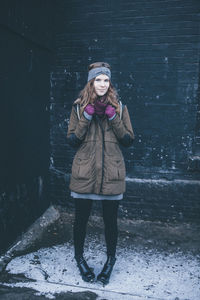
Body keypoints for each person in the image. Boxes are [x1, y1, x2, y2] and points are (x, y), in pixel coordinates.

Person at [67, 62, 134, 285]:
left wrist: (113, 117)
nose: (103, 84)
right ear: (91, 82)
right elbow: (72, 141)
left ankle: (110, 261)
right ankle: (79, 258)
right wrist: (86, 117)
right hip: (85, 173)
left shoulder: (120, 107)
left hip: (111, 175)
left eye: (106, 80)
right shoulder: (78, 107)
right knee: (81, 220)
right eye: (98, 80)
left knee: (110, 222)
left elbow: (127, 140)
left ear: (110, 83)